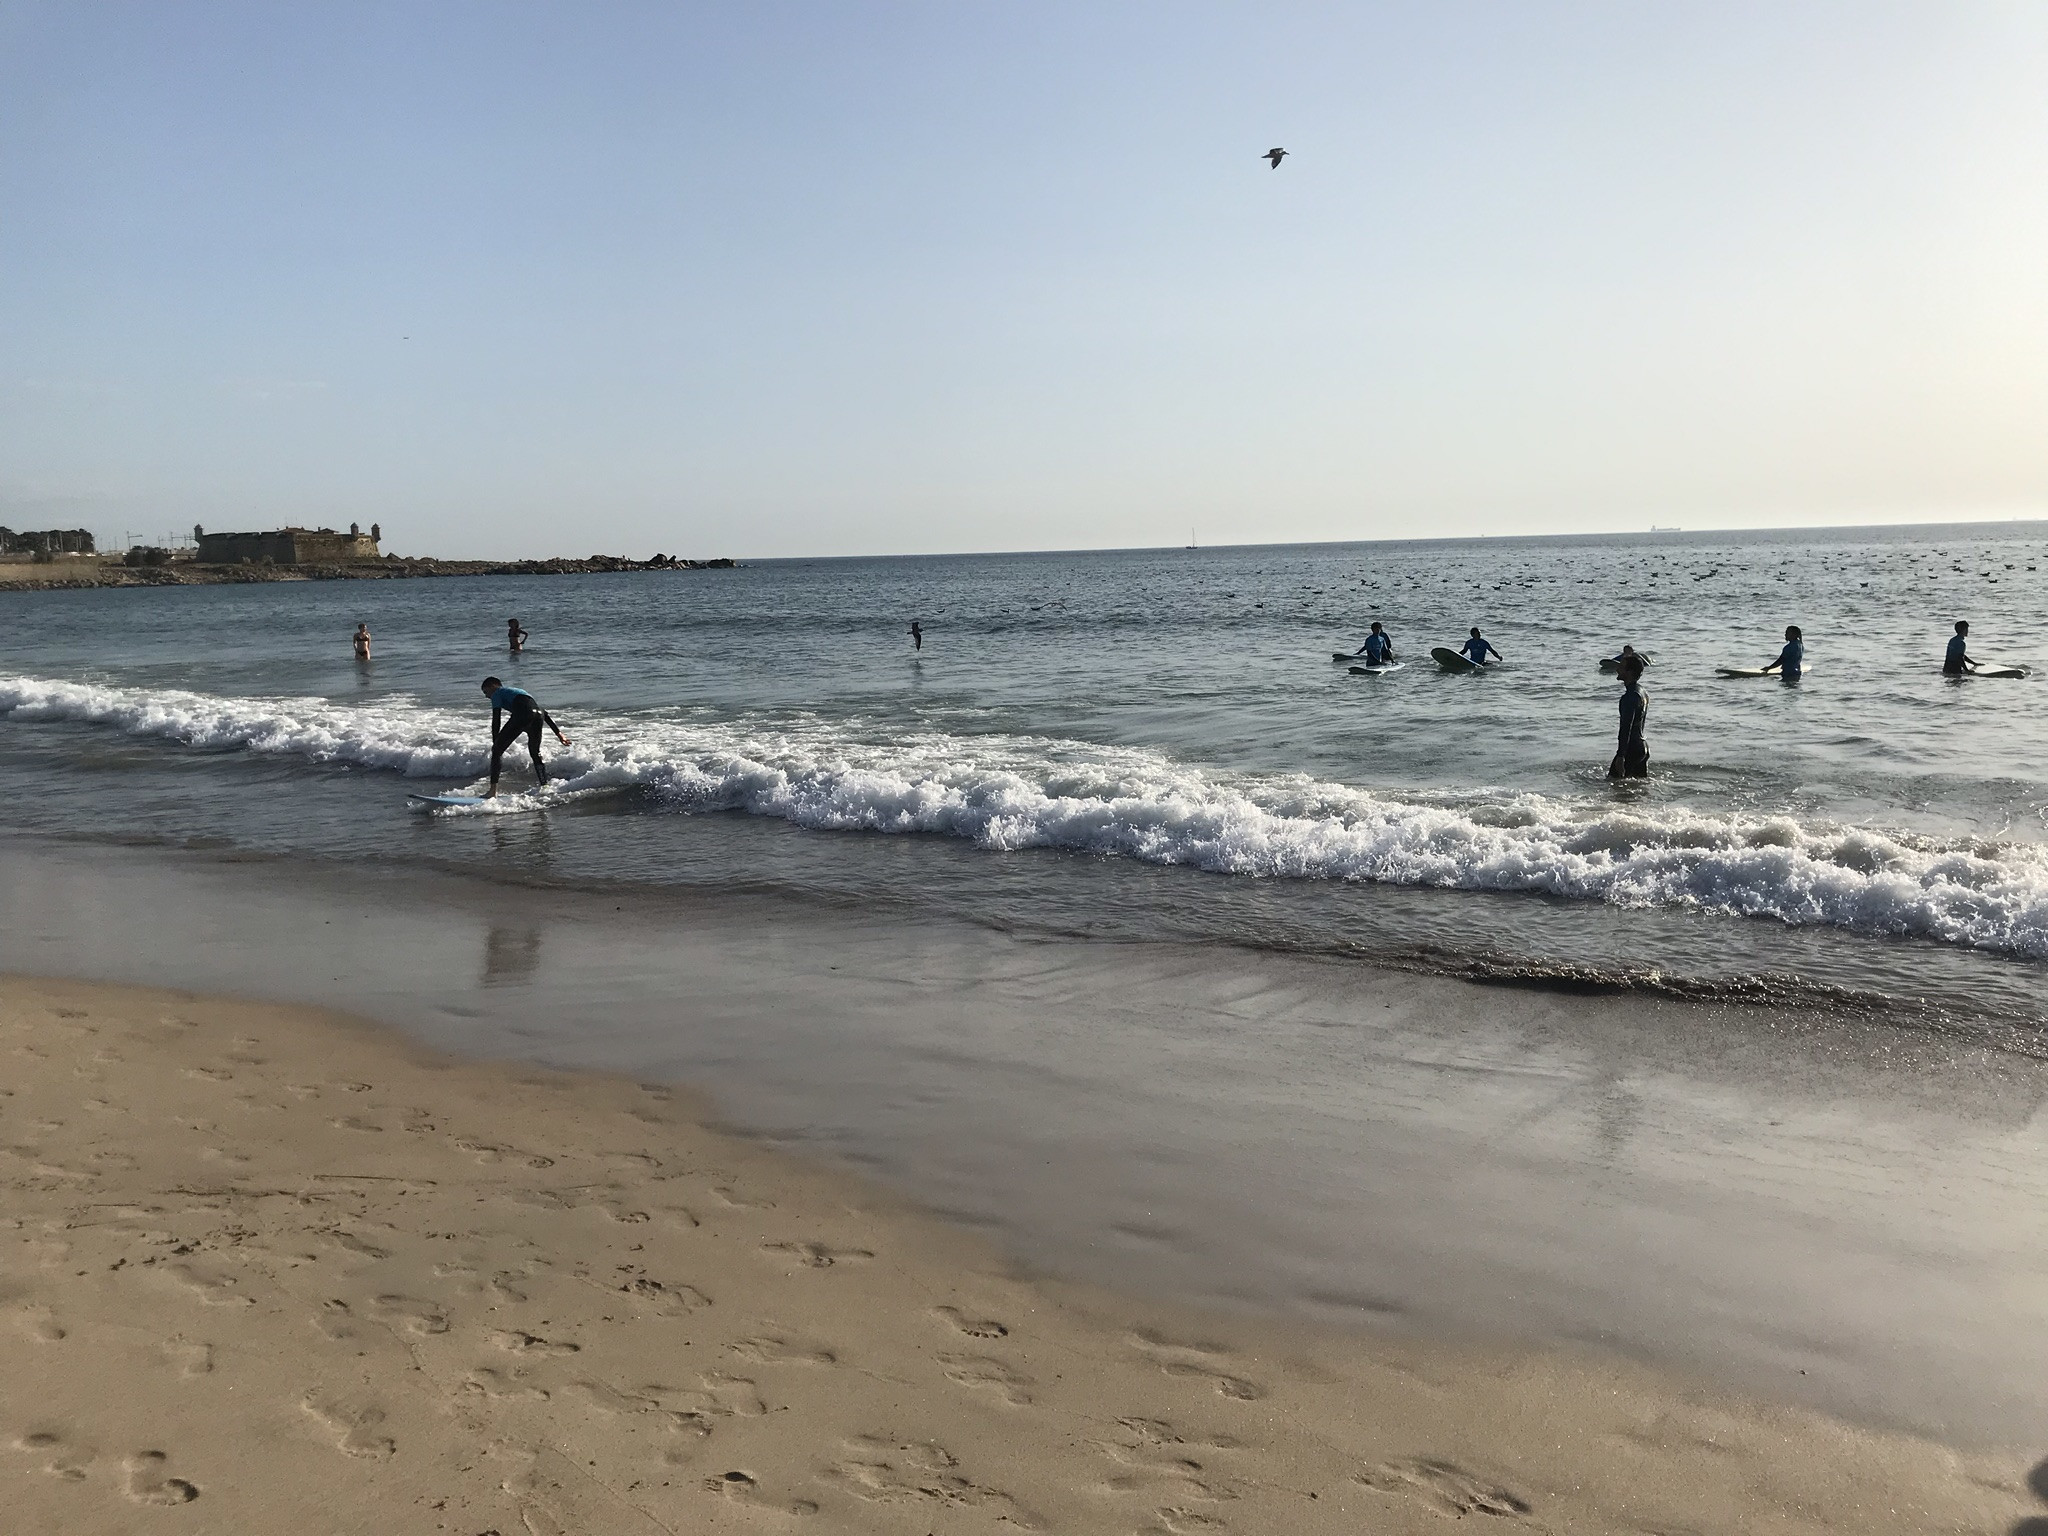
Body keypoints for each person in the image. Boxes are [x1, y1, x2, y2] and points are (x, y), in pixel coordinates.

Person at [480, 676, 570, 797]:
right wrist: (559, 734)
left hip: (523, 715)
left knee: (496, 751)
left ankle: (492, 791)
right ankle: (545, 787)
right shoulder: (518, 691)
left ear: (492, 686)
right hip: (538, 716)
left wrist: (496, 742)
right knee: (535, 752)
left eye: (486, 692)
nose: (486, 696)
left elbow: (496, 718)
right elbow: (542, 711)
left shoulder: (497, 693)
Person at [1610, 656, 1649, 779]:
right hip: (1642, 747)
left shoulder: (1629, 697)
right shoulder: (1642, 692)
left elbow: (1626, 727)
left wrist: (1621, 756)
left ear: (1630, 672)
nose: (1617, 669)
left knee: (1612, 785)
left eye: (1621, 667)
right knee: (1638, 789)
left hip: (1631, 750)